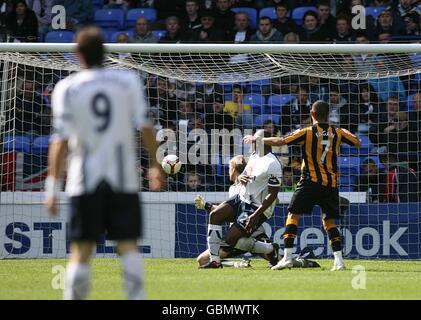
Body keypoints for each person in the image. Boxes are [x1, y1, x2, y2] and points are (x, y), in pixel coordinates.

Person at [44, 26, 164, 300]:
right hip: (123, 179)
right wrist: (155, 166)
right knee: (128, 247)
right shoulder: (128, 81)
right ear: (104, 53)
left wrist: (51, 188)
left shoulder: (67, 88)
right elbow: (146, 127)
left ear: (79, 55)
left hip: (83, 180)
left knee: (81, 251)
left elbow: (60, 142)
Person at [245, 100, 361, 271]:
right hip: (330, 184)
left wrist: (258, 139)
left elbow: (281, 141)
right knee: (329, 221)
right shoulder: (337, 132)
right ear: (327, 115)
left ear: (312, 114)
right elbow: (357, 142)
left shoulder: (307, 132)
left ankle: (288, 257)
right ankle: (339, 261)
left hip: (309, 182)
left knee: (293, 215)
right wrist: (342, 131)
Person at [201, 130, 282, 268]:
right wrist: (239, 177)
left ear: (264, 142)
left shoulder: (272, 163)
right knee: (215, 215)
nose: (251, 143)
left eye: (254, 140)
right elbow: (244, 175)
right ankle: (215, 261)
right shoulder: (254, 155)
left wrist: (256, 215)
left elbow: (273, 194)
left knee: (230, 240)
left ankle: (270, 249)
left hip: (257, 207)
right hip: (242, 199)